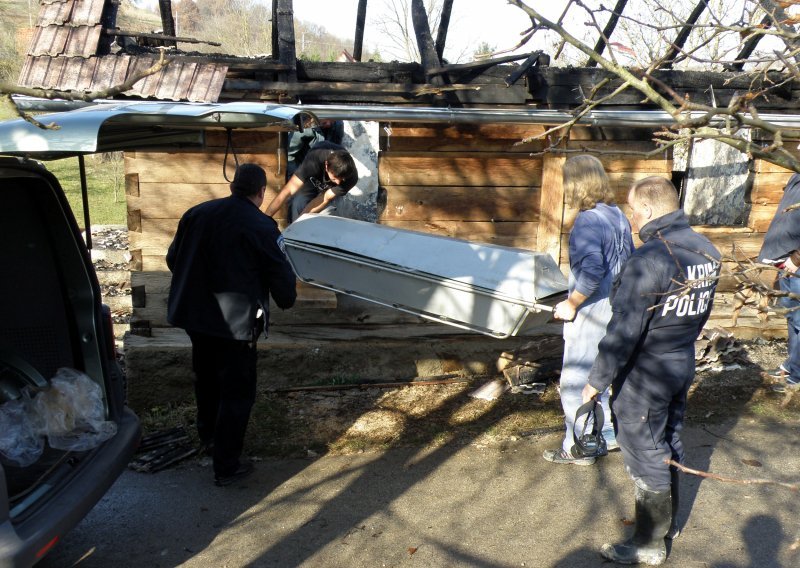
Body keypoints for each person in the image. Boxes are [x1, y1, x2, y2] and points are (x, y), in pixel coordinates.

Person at [581, 176, 720, 565]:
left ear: (646, 209)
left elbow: (625, 330)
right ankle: (669, 523)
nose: (630, 216)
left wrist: (595, 381)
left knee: (645, 451)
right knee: (669, 440)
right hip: (680, 362)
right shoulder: (706, 250)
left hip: (645, 373)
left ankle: (647, 542)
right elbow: (700, 313)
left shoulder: (649, 259)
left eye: (632, 209)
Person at [166, 163, 297, 486]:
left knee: (206, 380)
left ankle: (209, 438)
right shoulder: (262, 227)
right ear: (261, 192)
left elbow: (173, 259)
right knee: (237, 391)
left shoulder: (197, 214)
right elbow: (281, 278)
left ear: (233, 186)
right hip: (236, 325)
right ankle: (226, 464)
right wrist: (285, 298)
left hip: (195, 317)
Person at [543, 155, 634, 466]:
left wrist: (571, 303)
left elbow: (593, 272)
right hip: (617, 308)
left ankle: (578, 448)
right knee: (604, 373)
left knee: (576, 380)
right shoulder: (617, 216)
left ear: (575, 183)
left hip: (593, 312)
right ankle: (605, 434)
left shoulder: (587, 220)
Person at [758, 173, 800, 391]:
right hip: (786, 262)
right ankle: (792, 365)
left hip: (796, 264)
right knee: (793, 319)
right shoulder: (796, 176)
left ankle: (797, 377)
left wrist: (797, 257)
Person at [265, 141, 358, 223]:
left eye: (342, 179)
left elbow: (325, 198)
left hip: (329, 193)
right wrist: (264, 218)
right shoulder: (314, 159)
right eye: (335, 178)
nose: (338, 182)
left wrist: (300, 222)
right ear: (326, 166)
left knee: (329, 214)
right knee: (299, 202)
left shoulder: (351, 177)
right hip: (312, 178)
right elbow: (288, 190)